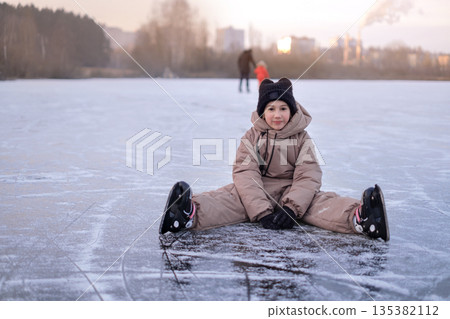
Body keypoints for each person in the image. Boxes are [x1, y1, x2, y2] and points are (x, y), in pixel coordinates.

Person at [160, 78, 389, 241]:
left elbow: (308, 175)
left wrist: (291, 208)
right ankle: (187, 213)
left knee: (322, 203)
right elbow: (245, 173)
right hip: (257, 192)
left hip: (293, 192)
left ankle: (361, 218)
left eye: (282, 108)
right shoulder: (252, 136)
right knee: (226, 199)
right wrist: (261, 210)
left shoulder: (302, 138)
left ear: (292, 111)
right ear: (262, 112)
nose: (277, 115)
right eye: (271, 109)